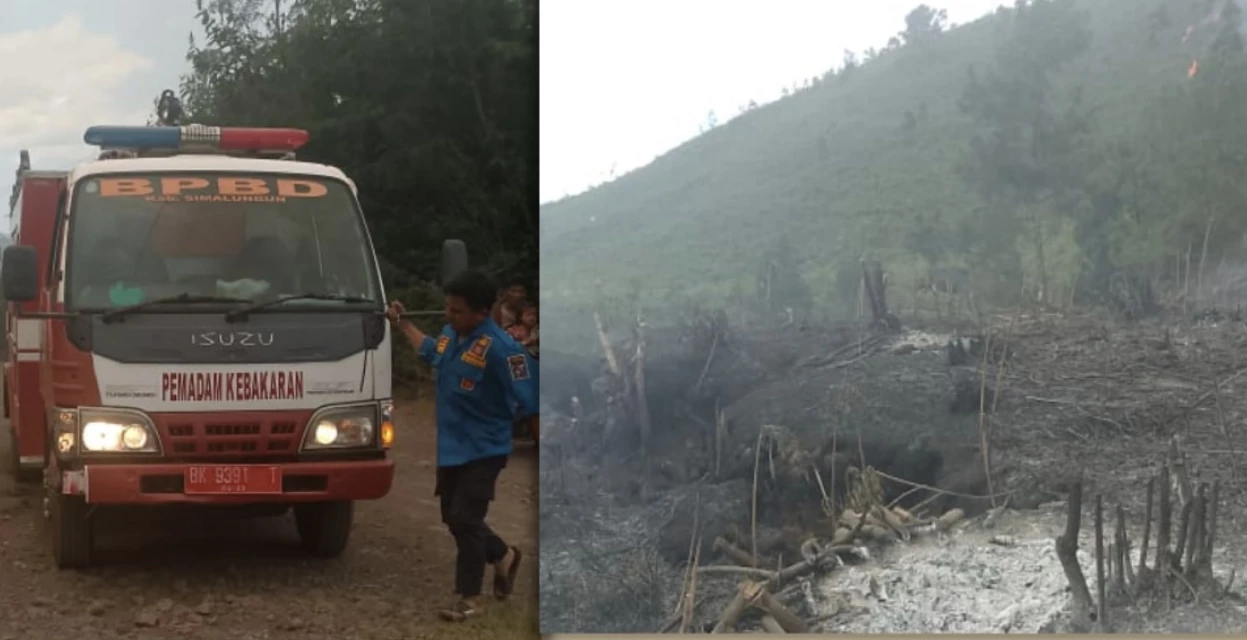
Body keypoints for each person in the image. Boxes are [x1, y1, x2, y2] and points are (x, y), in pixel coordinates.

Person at [387, 269, 539, 623]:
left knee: (466, 518)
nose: (448, 316)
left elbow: (532, 401)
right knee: (451, 516)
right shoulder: (451, 335)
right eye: (448, 309)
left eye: (456, 311)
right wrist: (403, 322)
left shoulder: (505, 351)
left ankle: (469, 597)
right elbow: (429, 351)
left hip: (486, 448)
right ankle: (502, 556)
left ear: (482, 313)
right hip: (453, 446)